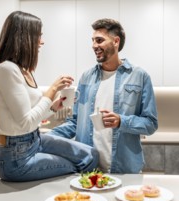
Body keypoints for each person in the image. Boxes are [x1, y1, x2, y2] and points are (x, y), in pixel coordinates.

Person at [0, 11, 98, 182]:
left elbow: (31, 115)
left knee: (90, 155)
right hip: (15, 157)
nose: (41, 41)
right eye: (38, 36)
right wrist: (53, 89)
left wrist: (54, 107)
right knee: (78, 164)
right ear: (24, 37)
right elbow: (25, 122)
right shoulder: (6, 70)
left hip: (34, 141)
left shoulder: (23, 70)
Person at [48, 18, 158, 174]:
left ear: (116, 41)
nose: (94, 46)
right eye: (93, 41)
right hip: (88, 168)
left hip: (124, 170)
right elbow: (75, 122)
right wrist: (44, 138)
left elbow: (150, 123)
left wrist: (121, 121)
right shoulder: (86, 77)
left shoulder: (139, 76)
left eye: (99, 40)